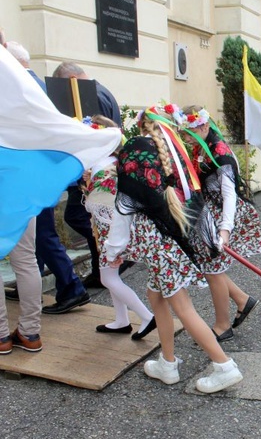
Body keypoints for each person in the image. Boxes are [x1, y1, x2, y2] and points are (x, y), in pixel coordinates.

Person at [104, 106, 243, 393]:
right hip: (172, 240)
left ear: (141, 127)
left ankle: (223, 365)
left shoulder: (136, 153)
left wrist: (112, 249)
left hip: (157, 244)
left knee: (182, 305)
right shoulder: (176, 152)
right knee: (156, 296)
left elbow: (124, 205)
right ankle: (167, 362)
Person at [2, 44, 91, 314]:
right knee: (34, 245)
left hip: (23, 178)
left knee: (42, 237)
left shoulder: (17, 87)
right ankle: (34, 297)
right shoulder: (43, 87)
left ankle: (71, 287)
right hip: (42, 174)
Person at [180, 105, 261, 341]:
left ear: (204, 126)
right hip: (208, 212)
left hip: (221, 215)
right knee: (210, 267)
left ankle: (223, 325)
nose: (185, 138)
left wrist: (225, 230)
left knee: (214, 270)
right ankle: (242, 300)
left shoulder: (220, 153)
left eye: (189, 132)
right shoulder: (202, 147)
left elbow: (229, 194)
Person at [82, 115, 157, 339]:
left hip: (111, 229)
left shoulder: (105, 166)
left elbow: (100, 201)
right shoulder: (112, 162)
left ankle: (146, 316)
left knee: (108, 278)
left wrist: (88, 184)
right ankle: (121, 319)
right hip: (108, 226)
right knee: (112, 275)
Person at [52, 61, 123, 290]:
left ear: (70, 80)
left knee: (79, 216)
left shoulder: (90, 96)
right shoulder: (99, 90)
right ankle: (100, 267)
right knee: (89, 219)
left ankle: (114, 250)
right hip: (96, 169)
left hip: (95, 170)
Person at [0, 219, 43, 354]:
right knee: (26, 260)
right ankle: (30, 333)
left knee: (26, 260)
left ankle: (2, 336)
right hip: (23, 199)